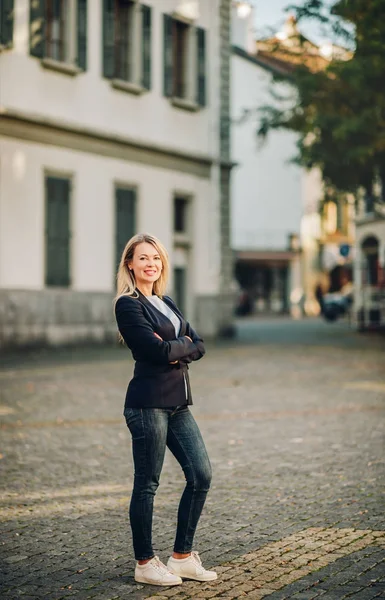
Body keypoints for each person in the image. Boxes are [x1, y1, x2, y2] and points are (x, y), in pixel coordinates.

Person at [114, 233, 217, 587]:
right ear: (130, 264)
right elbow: (153, 353)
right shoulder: (128, 305)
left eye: (155, 258)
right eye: (143, 258)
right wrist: (179, 346)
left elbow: (199, 344)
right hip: (147, 405)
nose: (150, 264)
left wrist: (176, 345)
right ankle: (144, 563)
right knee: (147, 484)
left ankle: (182, 557)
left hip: (178, 404)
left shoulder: (166, 301)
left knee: (201, 475)